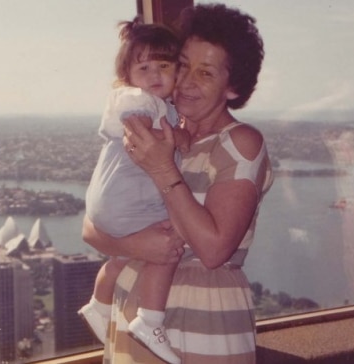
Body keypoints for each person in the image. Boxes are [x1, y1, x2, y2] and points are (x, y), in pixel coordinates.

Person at [82, 3, 273, 363]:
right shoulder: (156, 128)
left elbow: (215, 250)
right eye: (183, 65)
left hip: (202, 318)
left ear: (232, 87)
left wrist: (162, 169)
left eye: (205, 73)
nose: (185, 81)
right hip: (133, 314)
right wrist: (141, 246)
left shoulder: (240, 143)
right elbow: (90, 228)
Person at [78, 17, 189, 364]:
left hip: (106, 200)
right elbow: (146, 135)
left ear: (176, 72)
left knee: (125, 254)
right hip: (124, 199)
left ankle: (99, 304)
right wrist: (184, 137)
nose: (154, 74)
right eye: (144, 67)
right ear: (127, 75)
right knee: (171, 239)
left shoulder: (152, 102)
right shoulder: (140, 101)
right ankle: (150, 320)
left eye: (164, 66)